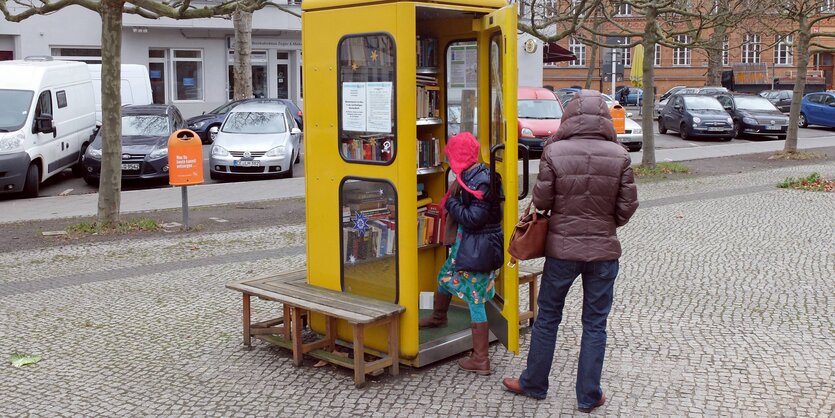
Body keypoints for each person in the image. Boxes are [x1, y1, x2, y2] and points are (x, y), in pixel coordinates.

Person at [502, 90, 638, 412]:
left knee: (548, 317)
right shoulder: (620, 155)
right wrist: (607, 224)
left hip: (562, 250)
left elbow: (543, 201)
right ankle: (589, 396)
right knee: (595, 323)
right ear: (604, 117)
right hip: (604, 253)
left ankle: (534, 383)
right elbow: (627, 206)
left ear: (569, 115)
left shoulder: (554, 151)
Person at [418, 131, 504, 376]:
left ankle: (481, 359)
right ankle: (439, 317)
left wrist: (451, 203)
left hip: (479, 247)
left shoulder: (479, 181)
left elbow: (474, 218)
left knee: (475, 298)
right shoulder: (473, 175)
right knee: (445, 277)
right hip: (469, 245)